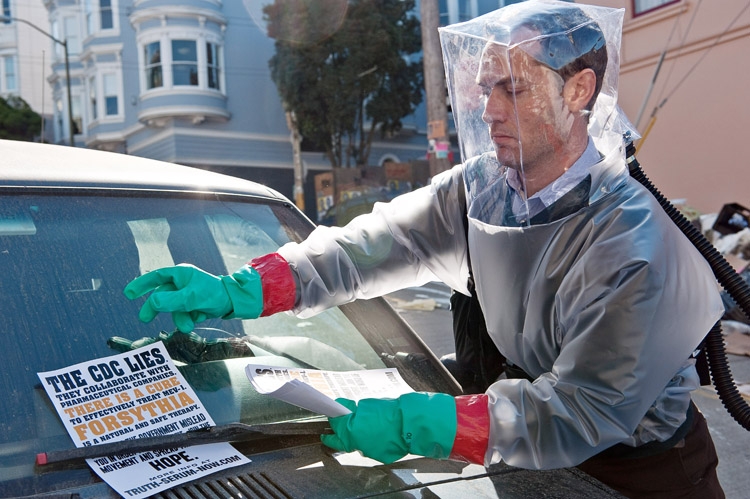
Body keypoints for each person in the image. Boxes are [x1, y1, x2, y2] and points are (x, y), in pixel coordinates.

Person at [123, 1, 725, 497]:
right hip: (528, 458)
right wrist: (245, 289)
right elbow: (375, 244)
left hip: (637, 472)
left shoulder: (634, 241)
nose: (489, 111)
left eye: (512, 89)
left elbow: (584, 409)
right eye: (486, 88)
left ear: (578, 91)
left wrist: (420, 422)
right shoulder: (487, 189)